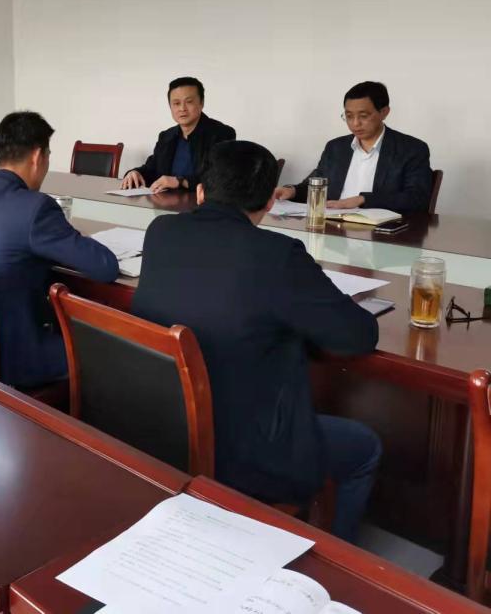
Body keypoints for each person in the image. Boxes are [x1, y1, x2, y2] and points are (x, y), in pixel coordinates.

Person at [131, 140, 381, 543]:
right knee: (365, 448)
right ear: (269, 202)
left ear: (200, 192)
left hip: (164, 429)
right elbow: (358, 335)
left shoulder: (161, 231)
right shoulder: (277, 254)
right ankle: (339, 566)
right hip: (245, 454)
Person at [0, 112, 119, 387]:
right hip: (21, 357)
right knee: (112, 348)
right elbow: (105, 267)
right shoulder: (37, 207)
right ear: (37, 156)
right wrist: (72, 236)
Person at [274, 81, 432, 213]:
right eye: (349, 116)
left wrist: (363, 199)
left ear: (384, 112)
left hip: (382, 232)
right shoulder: (336, 148)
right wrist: (292, 191)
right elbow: (316, 185)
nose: (355, 123)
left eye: (363, 116)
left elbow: (417, 199)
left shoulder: (411, 149)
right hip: (333, 226)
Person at [120, 77, 236, 193]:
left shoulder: (221, 134)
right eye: (176, 103)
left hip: (202, 202)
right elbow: (151, 169)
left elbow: (221, 177)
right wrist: (135, 173)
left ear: (201, 103)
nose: (182, 108)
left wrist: (180, 181)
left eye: (189, 102)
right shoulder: (166, 137)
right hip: (165, 202)